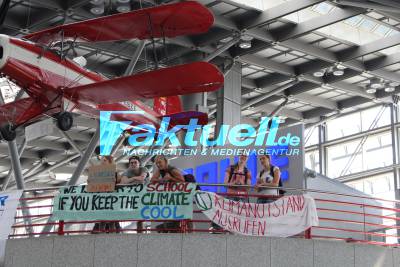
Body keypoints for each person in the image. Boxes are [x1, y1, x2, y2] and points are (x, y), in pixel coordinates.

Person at [211, 153, 251, 233]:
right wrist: (234, 183)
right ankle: (226, 230)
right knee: (229, 214)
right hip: (231, 196)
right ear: (238, 156)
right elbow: (225, 184)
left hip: (243, 197)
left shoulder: (247, 171)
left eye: (245, 156)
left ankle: (238, 232)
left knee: (241, 217)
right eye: (242, 155)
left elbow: (248, 187)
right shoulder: (230, 168)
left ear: (247, 158)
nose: (243, 157)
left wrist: (241, 184)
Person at [151, 155, 185, 232]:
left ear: (165, 161)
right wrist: (162, 180)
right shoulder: (160, 170)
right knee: (169, 218)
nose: (158, 165)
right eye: (156, 163)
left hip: (178, 197)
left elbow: (182, 181)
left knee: (176, 218)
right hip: (170, 197)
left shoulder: (172, 170)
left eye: (159, 162)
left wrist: (170, 178)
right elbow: (152, 180)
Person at [92, 155, 122, 234]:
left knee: (112, 220)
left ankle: (112, 235)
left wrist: (116, 181)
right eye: (101, 160)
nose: (102, 162)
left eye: (104, 160)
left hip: (112, 198)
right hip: (102, 198)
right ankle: (102, 234)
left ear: (110, 161)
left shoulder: (115, 172)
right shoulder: (98, 172)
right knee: (102, 219)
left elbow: (120, 182)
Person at [120, 156, 148, 233]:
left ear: (139, 163)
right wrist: (135, 178)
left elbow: (142, 178)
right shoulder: (127, 172)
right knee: (138, 215)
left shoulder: (143, 169)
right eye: (131, 163)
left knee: (142, 215)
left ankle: (140, 232)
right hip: (133, 197)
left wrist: (130, 180)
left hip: (145, 196)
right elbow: (123, 182)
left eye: (135, 162)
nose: (133, 164)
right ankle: (139, 232)